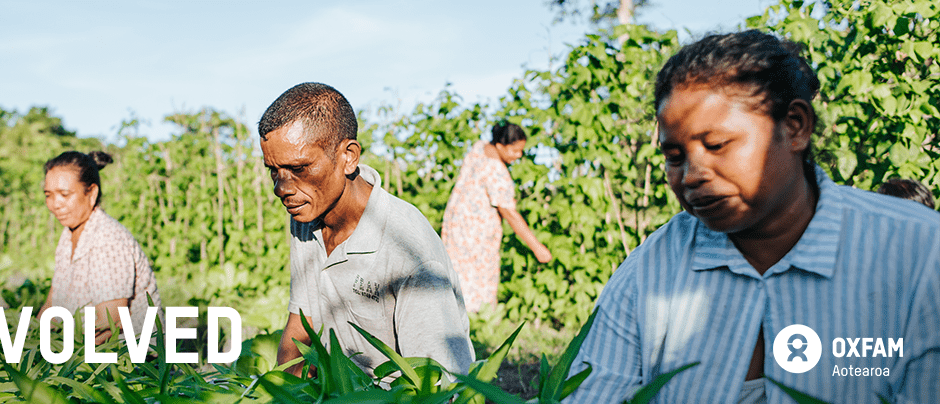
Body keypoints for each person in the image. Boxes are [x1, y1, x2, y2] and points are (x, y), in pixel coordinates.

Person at [566, 30, 939, 403]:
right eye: (674, 157)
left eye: (717, 145)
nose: (692, 175)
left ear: (795, 126)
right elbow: (592, 392)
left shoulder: (918, 254)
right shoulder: (653, 268)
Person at [263, 82, 475, 378]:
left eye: (299, 168)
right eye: (274, 170)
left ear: (348, 157)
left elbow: (439, 385)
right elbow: (301, 324)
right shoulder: (306, 215)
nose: (281, 188)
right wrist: (284, 391)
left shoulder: (409, 252)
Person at [38, 151, 161, 345]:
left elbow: (109, 325)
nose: (55, 204)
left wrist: (57, 353)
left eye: (64, 194)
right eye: (48, 195)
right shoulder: (68, 234)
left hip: (130, 358)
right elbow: (53, 304)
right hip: (82, 348)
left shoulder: (108, 239)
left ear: (92, 193)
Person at [441, 122, 552, 312]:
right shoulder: (497, 172)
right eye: (515, 151)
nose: (519, 156)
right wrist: (537, 247)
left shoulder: (480, 148)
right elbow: (510, 214)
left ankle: (456, 316)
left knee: (456, 275)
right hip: (476, 234)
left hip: (456, 224)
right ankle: (477, 320)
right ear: (500, 146)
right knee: (477, 280)